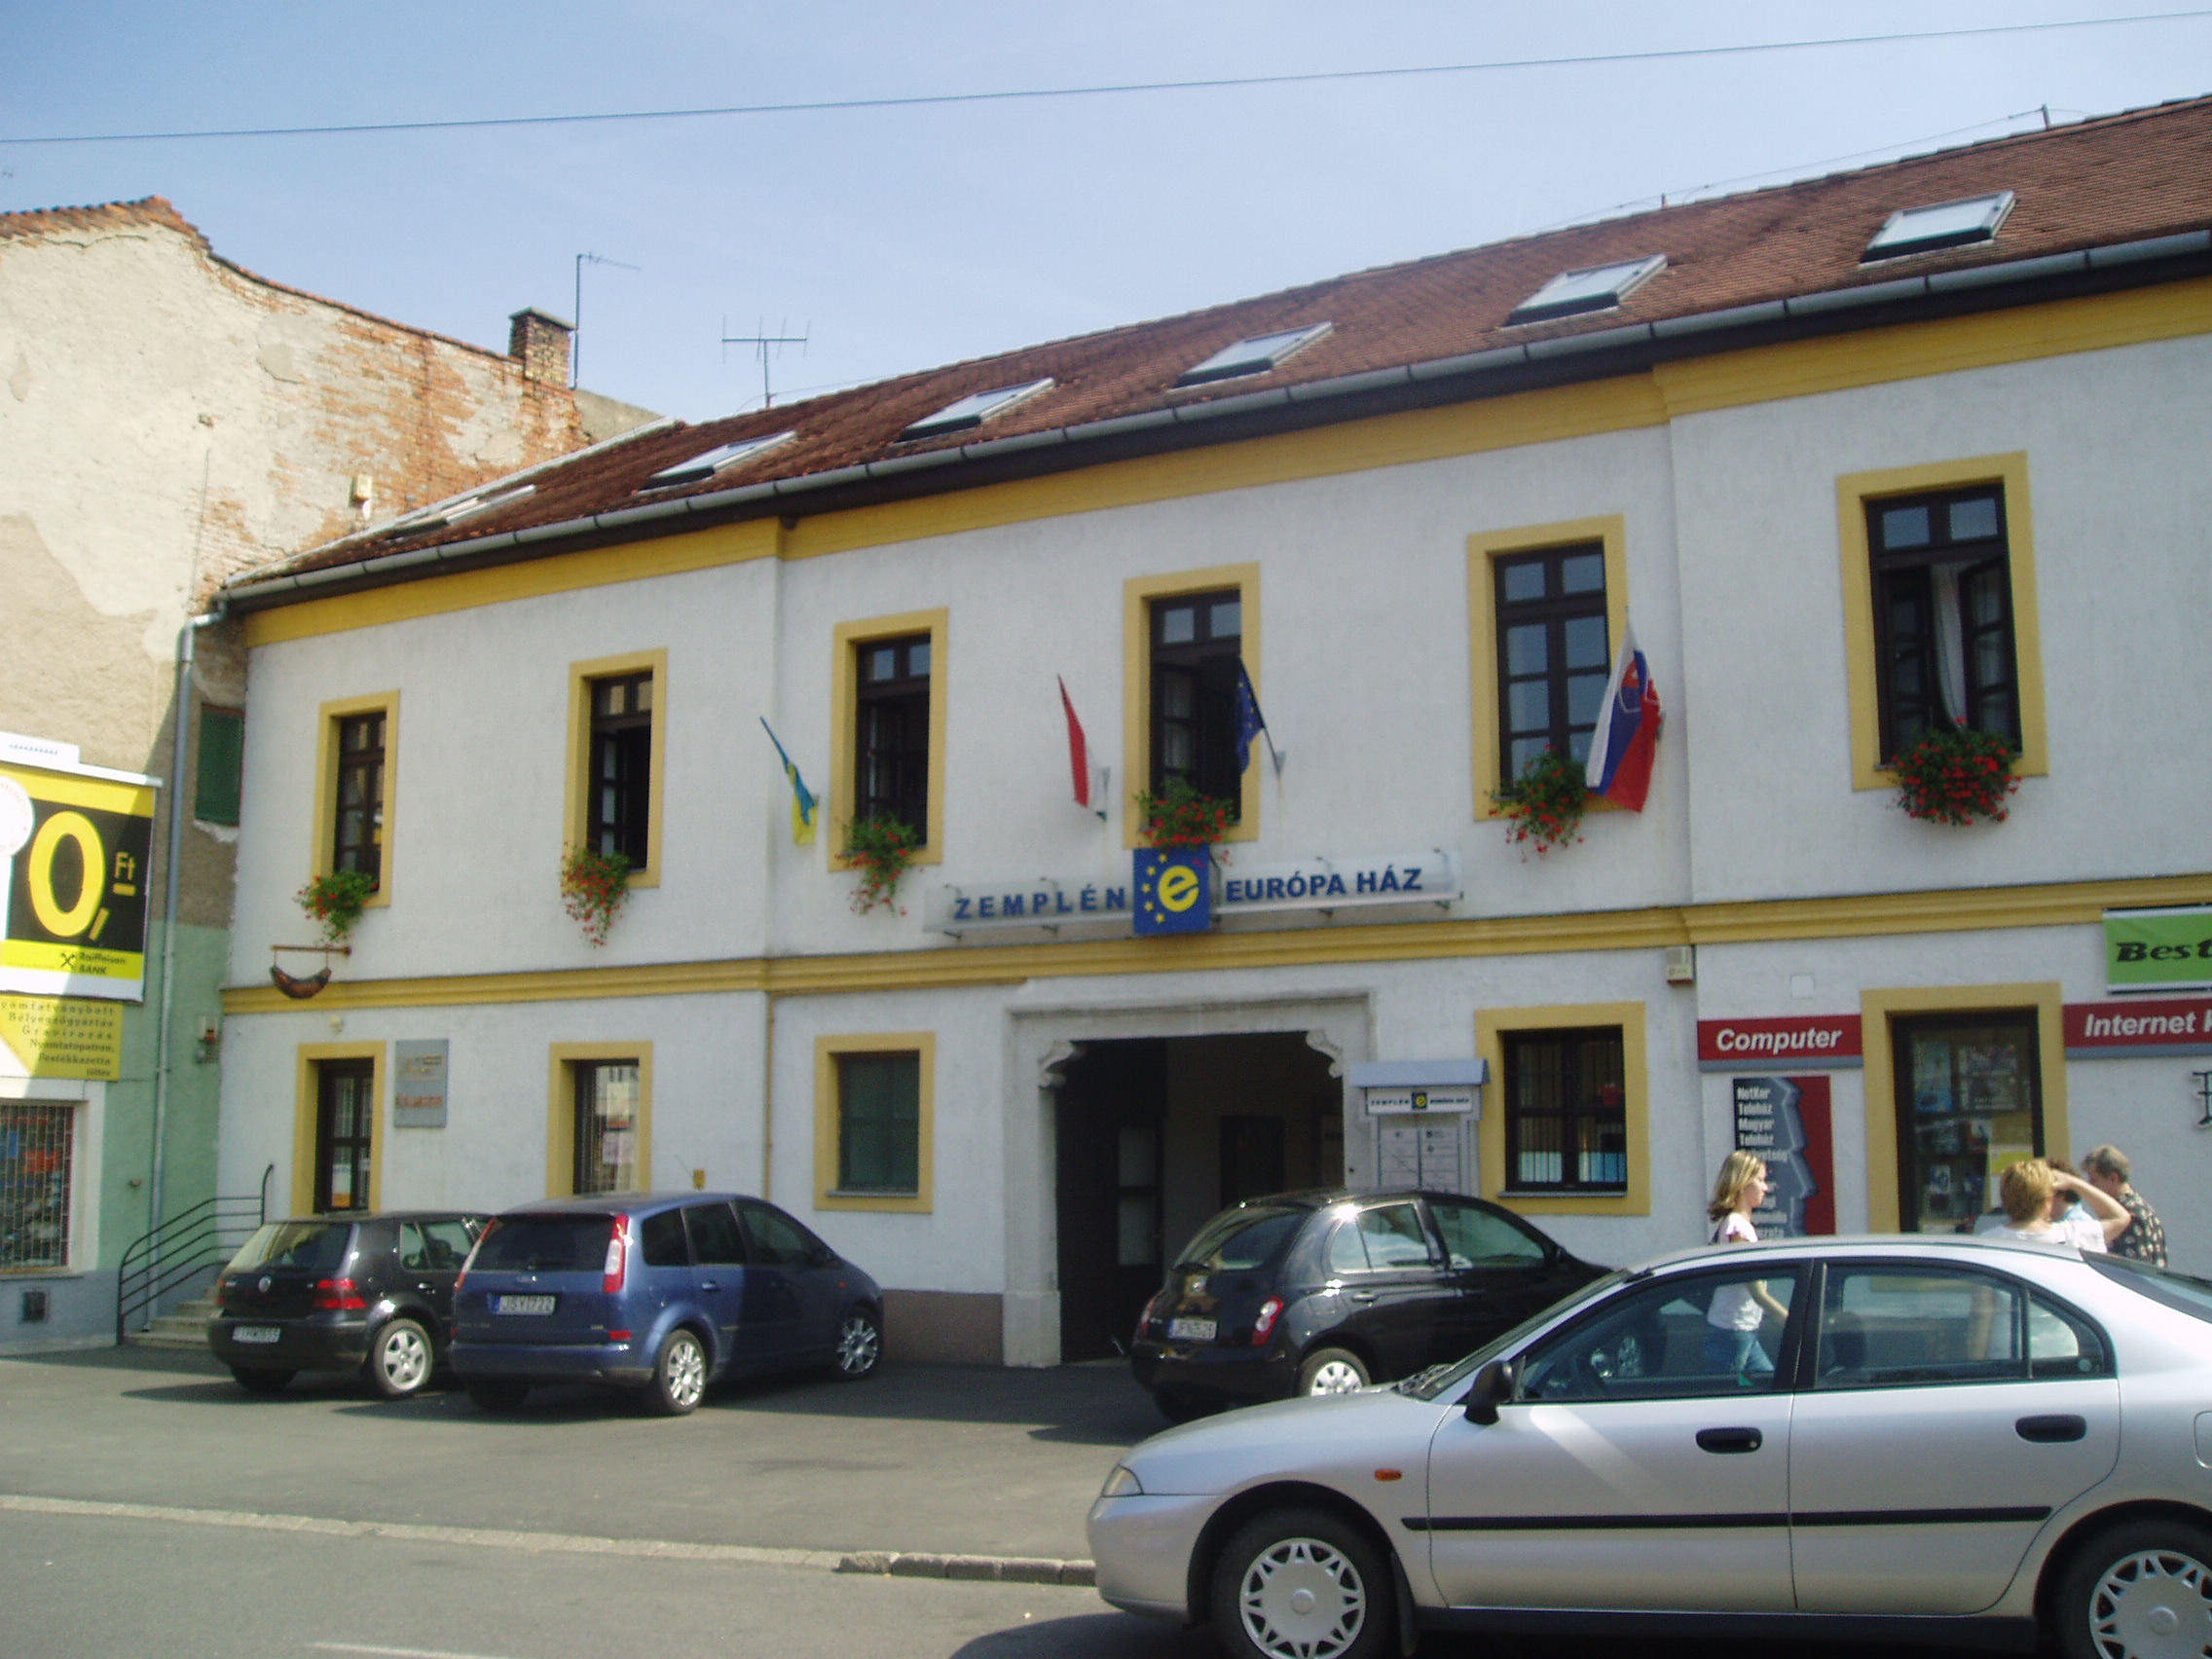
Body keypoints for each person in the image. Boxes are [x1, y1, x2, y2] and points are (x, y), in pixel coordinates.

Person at [1704, 1151, 1791, 1376]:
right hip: (1732, 1332)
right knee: (1729, 1393)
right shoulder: (1737, 1228)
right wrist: (1792, 1322)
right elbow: (1757, 1292)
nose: (1766, 1188)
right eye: (1760, 1180)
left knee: (1767, 1386)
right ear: (1742, 1183)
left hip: (1742, 1330)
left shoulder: (1740, 1227)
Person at [1983, 1159, 2128, 1246]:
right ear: (2048, 1199)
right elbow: (2121, 1217)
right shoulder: (2072, 1235)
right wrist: (2074, 1183)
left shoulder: (1987, 1241)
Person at [2083, 1144, 2168, 1267]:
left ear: (2113, 1178)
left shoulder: (2129, 1215)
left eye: (2094, 1180)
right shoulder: (2143, 1208)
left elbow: (2132, 1269)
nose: (2090, 1186)